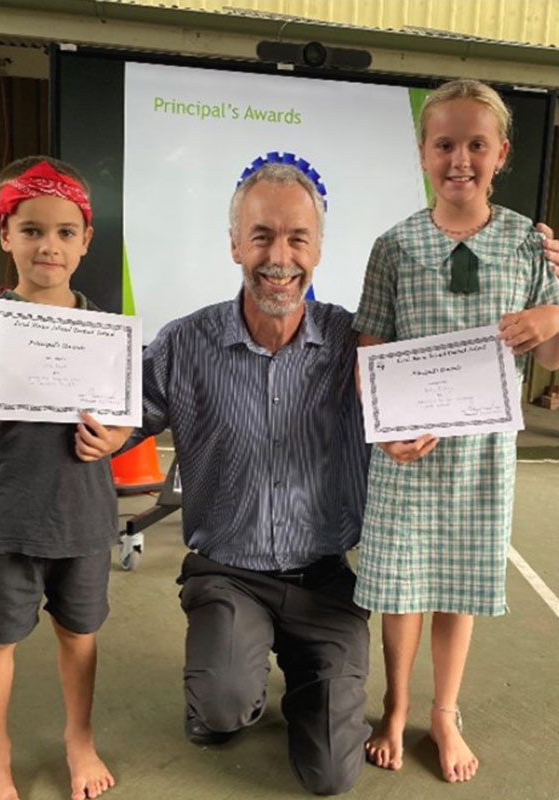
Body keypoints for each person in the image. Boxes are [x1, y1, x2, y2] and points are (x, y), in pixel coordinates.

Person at [83, 161, 372, 795]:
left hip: (326, 578)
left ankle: (309, 675)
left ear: (318, 248)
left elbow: (443, 367)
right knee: (220, 712)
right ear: (235, 243)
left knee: (330, 775)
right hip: (229, 571)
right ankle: (231, 678)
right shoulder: (186, 342)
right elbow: (115, 409)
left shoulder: (358, 345)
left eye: (298, 237)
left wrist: (542, 295)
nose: (279, 256)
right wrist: (12, 353)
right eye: (261, 235)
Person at [353, 79, 559, 784]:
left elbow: (553, 355)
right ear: (422, 153)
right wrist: (383, 431)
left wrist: (554, 318)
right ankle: (395, 704)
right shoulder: (395, 246)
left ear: (501, 153)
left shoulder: (529, 246)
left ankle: (444, 712)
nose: (460, 158)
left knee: (459, 588)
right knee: (402, 589)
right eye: (445, 144)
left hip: (483, 457)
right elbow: (369, 353)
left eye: (477, 144)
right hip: (405, 456)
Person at [0, 156, 126, 800]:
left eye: (64, 232)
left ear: (85, 242)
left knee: (79, 635)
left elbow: (121, 428)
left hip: (82, 518)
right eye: (31, 230)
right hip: (5, 517)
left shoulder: (105, 334)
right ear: (5, 236)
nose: (47, 246)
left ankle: (77, 739)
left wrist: (113, 437)